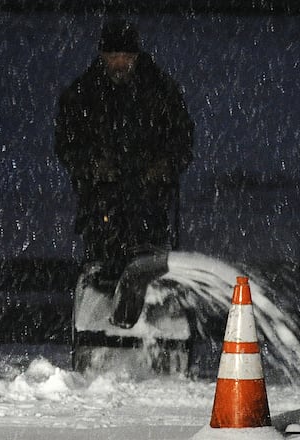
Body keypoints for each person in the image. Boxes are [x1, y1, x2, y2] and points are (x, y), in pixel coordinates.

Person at [54, 19, 194, 328]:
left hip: (151, 198)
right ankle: (105, 314)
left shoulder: (161, 91)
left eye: (126, 56)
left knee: (150, 257)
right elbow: (66, 143)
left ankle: (149, 314)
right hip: (102, 198)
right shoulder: (82, 94)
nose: (120, 63)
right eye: (114, 56)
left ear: (137, 56)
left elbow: (183, 141)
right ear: (102, 56)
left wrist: (164, 166)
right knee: (105, 259)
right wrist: (92, 165)